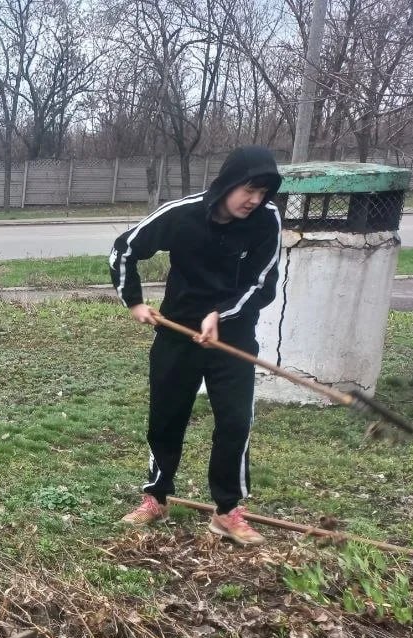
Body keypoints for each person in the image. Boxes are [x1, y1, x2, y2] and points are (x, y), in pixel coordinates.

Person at [109, 145, 283, 545]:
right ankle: (156, 497)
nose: (255, 200)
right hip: (177, 332)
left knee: (235, 421)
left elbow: (263, 282)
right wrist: (134, 301)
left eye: (263, 193)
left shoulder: (266, 219)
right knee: (166, 417)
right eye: (249, 190)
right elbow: (124, 249)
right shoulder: (182, 214)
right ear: (229, 183)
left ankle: (227, 510)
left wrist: (220, 314)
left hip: (233, 337)